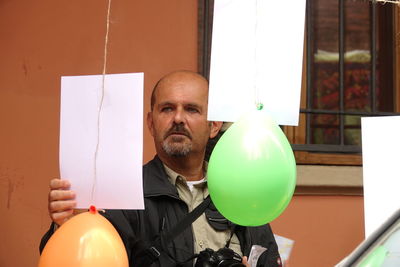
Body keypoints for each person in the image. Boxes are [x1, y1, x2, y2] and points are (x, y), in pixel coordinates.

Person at [40, 71, 281, 267]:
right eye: (167, 108)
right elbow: (85, 255)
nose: (178, 118)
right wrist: (66, 225)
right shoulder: (122, 195)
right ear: (150, 123)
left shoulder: (241, 194)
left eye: (191, 109)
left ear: (214, 126)